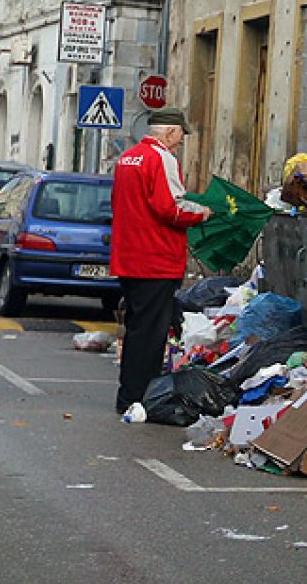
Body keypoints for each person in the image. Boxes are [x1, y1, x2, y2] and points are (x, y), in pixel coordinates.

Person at [110, 107, 212, 415]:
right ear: (169, 132)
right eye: (180, 137)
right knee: (150, 333)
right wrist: (203, 212)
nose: (180, 144)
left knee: (137, 327)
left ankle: (128, 394)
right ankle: (140, 398)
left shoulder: (127, 158)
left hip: (128, 256)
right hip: (155, 258)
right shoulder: (161, 158)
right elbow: (171, 208)